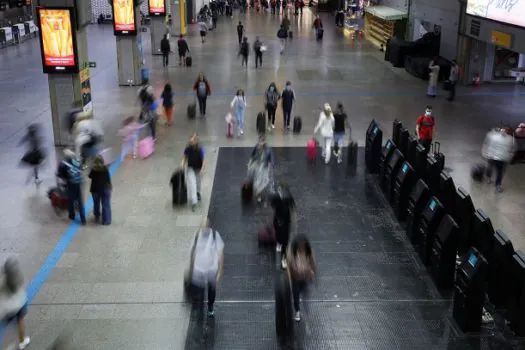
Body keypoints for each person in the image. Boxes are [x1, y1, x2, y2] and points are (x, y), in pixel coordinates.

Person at [189, 217, 224, 317]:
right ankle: (199, 307)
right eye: (202, 227)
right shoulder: (196, 236)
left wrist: (220, 270)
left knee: (211, 291)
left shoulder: (214, 235)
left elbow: (220, 253)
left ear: (208, 227)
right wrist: (192, 267)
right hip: (198, 270)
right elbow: (193, 253)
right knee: (198, 291)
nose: (204, 229)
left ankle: (210, 306)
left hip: (211, 270)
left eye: (205, 226)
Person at [0, 257, 31, 349]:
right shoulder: (18, 279)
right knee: (20, 321)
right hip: (20, 305)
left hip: (6, 310)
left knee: (4, 325)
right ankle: (22, 342)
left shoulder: (2, 280)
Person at [287, 234, 316, 322]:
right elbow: (288, 265)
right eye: (300, 244)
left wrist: (313, 274)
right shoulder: (292, 253)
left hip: (305, 278)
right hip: (295, 278)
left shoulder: (309, 252)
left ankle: (305, 307)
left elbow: (312, 263)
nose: (302, 246)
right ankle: (297, 311)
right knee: (296, 295)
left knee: (305, 293)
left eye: (303, 244)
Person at [57, 149, 86, 225]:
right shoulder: (76, 162)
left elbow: (59, 174)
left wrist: (64, 179)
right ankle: (83, 219)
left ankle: (72, 215)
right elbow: (83, 168)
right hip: (78, 184)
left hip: (70, 184)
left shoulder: (63, 164)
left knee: (70, 200)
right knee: (80, 202)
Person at [482, 128, 515, 192]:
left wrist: (486, 153)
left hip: (492, 156)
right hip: (500, 158)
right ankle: (497, 185)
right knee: (499, 172)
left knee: (490, 167)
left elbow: (487, 144)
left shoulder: (492, 136)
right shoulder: (510, 138)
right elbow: (512, 149)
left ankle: (489, 178)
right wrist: (510, 157)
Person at [271, 184, 296, 269]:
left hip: (286, 221)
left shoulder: (288, 198)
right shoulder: (275, 197)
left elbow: (292, 208)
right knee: (278, 233)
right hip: (278, 219)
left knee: (285, 241)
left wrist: (294, 223)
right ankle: (278, 242)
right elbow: (273, 206)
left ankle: (284, 258)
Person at [182, 133, 206, 211]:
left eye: (193, 140)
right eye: (190, 140)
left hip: (198, 168)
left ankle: (198, 192)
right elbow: (185, 157)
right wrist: (182, 163)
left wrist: (202, 169)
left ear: (196, 141)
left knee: (198, 182)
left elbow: (204, 160)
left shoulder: (200, 149)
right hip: (190, 168)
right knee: (192, 184)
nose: (191, 142)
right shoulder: (188, 148)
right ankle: (194, 201)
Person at [248, 136, 273, 203]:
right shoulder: (256, 147)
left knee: (265, 180)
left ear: (264, 142)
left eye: (262, 142)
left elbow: (270, 159)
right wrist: (249, 164)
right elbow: (252, 155)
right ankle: (258, 195)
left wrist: (270, 167)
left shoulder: (268, 149)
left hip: (264, 166)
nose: (260, 143)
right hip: (258, 165)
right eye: (259, 142)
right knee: (258, 181)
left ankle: (258, 191)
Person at [89, 155, 112, 225]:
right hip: (106, 189)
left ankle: (97, 216)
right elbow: (108, 178)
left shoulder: (93, 170)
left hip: (95, 189)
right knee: (106, 205)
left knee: (96, 203)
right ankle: (106, 221)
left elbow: (90, 176)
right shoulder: (105, 168)